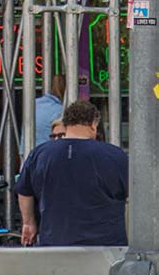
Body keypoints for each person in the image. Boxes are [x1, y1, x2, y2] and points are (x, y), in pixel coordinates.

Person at [15, 99, 128, 246]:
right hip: (105, 244)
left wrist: (29, 223)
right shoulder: (115, 155)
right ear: (93, 124)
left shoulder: (40, 154)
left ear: (66, 125)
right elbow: (133, 193)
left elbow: (24, 191)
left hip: (55, 242)